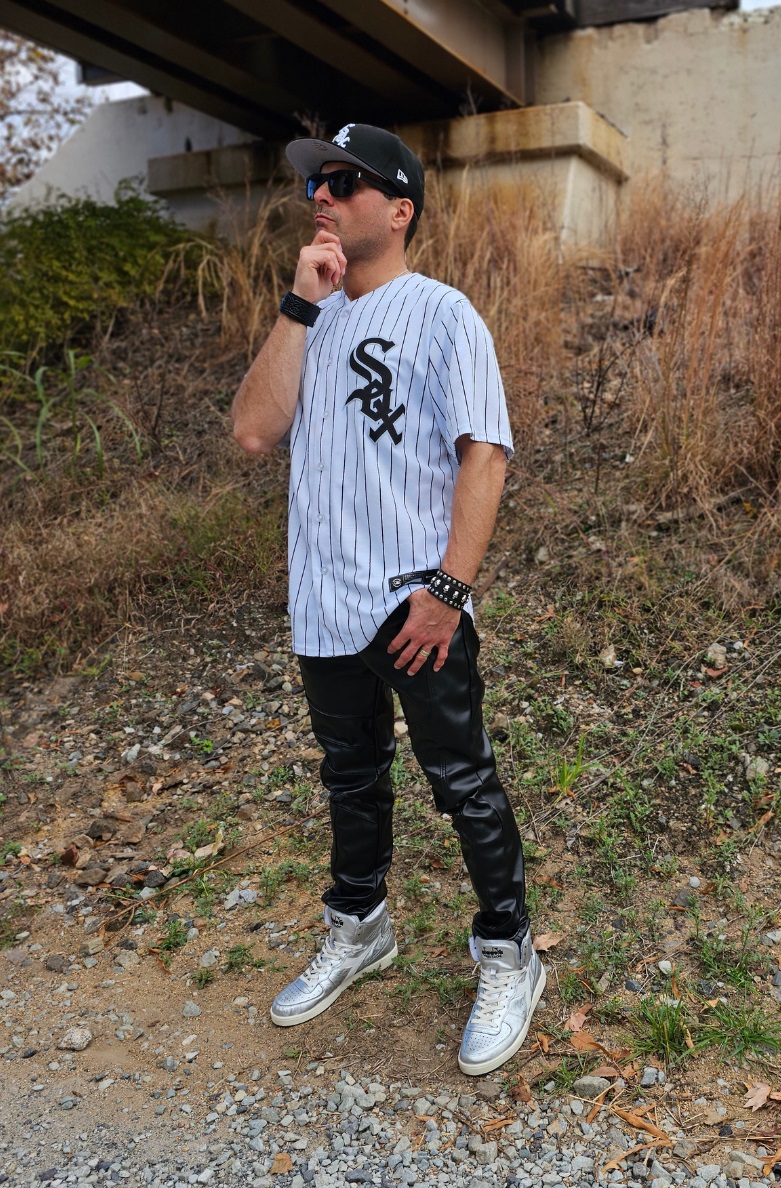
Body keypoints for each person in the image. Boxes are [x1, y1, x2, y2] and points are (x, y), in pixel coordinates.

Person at [230, 122, 541, 1076]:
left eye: (345, 181)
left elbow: (484, 453)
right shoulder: (308, 320)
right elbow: (252, 432)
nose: (322, 194)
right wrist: (297, 305)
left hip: (412, 605)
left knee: (462, 781)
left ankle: (507, 950)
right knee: (349, 777)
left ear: (398, 209)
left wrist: (449, 588)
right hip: (323, 604)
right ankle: (359, 928)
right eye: (316, 182)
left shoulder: (444, 313)